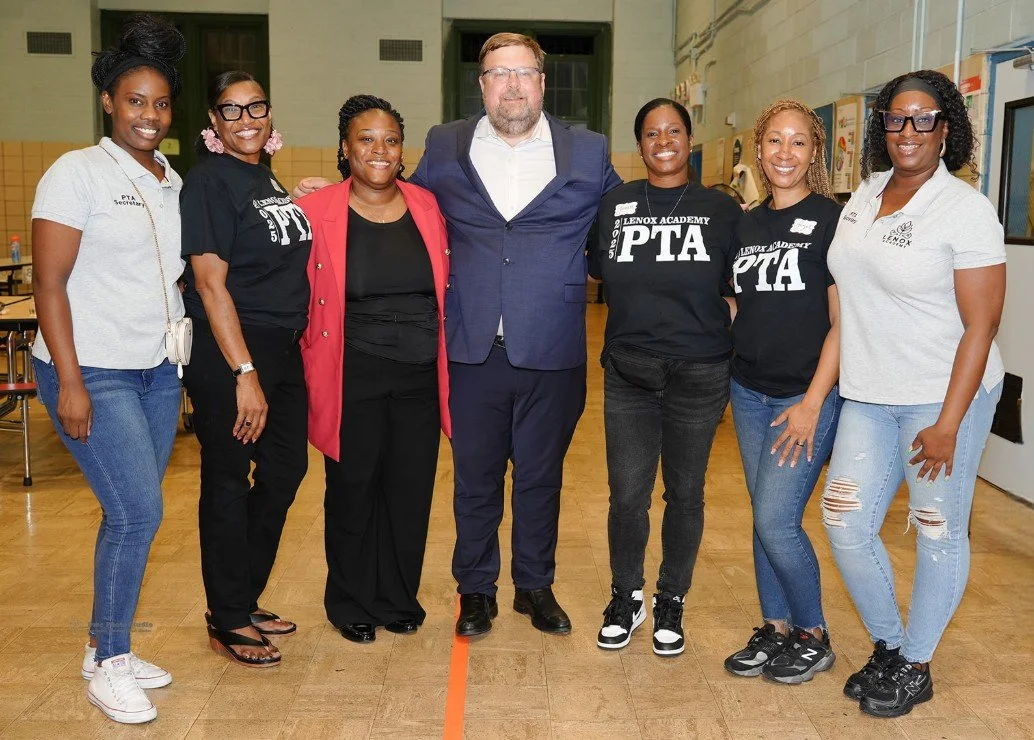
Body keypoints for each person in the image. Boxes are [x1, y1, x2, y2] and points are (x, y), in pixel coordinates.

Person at [297, 33, 624, 636]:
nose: (513, 86)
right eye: (499, 74)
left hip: (552, 347)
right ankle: (474, 589)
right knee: (473, 479)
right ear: (482, 85)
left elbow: (622, 226)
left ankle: (534, 585)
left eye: (524, 72)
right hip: (469, 346)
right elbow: (398, 198)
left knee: (540, 478)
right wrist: (327, 194)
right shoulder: (445, 146)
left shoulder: (588, 151)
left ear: (543, 82)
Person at [823, 70, 1006, 717]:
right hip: (869, 391)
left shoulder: (965, 209)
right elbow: (846, 290)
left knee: (936, 528)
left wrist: (950, 422)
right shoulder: (864, 195)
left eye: (923, 119)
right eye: (897, 119)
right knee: (844, 522)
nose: (908, 131)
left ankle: (918, 662)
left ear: (945, 129)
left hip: (942, 395)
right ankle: (891, 645)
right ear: (883, 128)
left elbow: (982, 325)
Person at [30, 13, 184, 724]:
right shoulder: (76, 172)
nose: (148, 115)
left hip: (156, 371)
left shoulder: (168, 180)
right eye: (134, 101)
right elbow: (50, 284)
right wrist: (70, 381)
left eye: (159, 103)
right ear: (107, 102)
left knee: (130, 515)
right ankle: (111, 663)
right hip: (93, 371)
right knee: (138, 511)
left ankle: (104, 645)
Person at [296, 95, 451, 643]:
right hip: (351, 372)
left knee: (409, 490)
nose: (379, 150)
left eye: (389, 139)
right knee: (352, 490)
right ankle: (350, 600)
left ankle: (397, 597)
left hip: (419, 377)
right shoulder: (316, 211)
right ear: (344, 147)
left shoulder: (427, 207)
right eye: (366, 139)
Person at [591, 98, 743, 656]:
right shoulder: (614, 205)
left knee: (685, 494)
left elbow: (746, 284)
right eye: (651, 132)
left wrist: (729, 317)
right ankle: (626, 595)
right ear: (640, 145)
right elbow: (595, 267)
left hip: (700, 373)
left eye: (673, 130)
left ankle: (671, 599)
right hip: (629, 370)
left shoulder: (722, 211)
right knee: (627, 494)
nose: (663, 140)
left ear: (689, 138)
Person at [180, 71, 312, 667]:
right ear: (213, 123)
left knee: (285, 468)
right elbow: (211, 284)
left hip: (281, 347)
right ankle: (227, 616)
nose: (246, 119)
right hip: (232, 351)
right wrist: (244, 372)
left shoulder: (263, 176)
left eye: (255, 106)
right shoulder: (209, 182)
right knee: (229, 481)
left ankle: (243, 593)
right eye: (230, 111)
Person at [721, 99, 844, 682]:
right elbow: (739, 302)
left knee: (777, 520)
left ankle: (812, 633)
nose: (785, 153)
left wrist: (813, 404)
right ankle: (774, 628)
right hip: (748, 391)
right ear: (759, 148)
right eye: (774, 141)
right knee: (763, 517)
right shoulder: (746, 222)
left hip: (805, 397)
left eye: (798, 142)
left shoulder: (833, 220)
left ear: (814, 152)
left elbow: (844, 323)